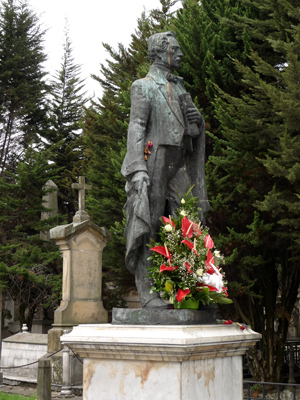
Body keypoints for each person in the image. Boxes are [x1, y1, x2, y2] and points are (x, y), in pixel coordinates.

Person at [121, 31, 210, 308]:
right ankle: (147, 292)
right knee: (150, 226)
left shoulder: (182, 89)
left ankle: (188, 289)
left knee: (189, 221)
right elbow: (136, 126)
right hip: (155, 158)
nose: (180, 54)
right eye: (176, 48)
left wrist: (199, 123)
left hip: (179, 161)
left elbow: (193, 131)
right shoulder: (143, 86)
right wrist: (137, 169)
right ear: (160, 52)